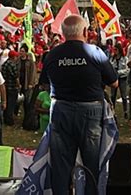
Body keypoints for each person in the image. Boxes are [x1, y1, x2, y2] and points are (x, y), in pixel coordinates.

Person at [39, 15, 118, 195]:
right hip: (90, 111)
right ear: (84, 31)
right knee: (91, 163)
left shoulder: (52, 54)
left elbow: (44, 83)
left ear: (64, 33)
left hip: (60, 109)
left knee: (60, 164)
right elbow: (114, 83)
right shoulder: (95, 52)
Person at [109, 43, 129, 119]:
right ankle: (112, 111)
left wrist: (119, 72)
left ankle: (125, 111)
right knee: (113, 96)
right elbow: (110, 67)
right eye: (114, 49)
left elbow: (127, 70)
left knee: (124, 96)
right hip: (114, 79)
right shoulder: (112, 59)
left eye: (116, 49)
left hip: (122, 78)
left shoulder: (125, 58)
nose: (115, 51)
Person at [1, 50, 20, 126]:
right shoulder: (12, 64)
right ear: (13, 57)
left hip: (6, 87)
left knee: (7, 103)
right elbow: (15, 76)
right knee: (11, 105)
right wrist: (18, 85)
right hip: (12, 87)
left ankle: (5, 118)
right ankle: (9, 120)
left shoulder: (5, 64)